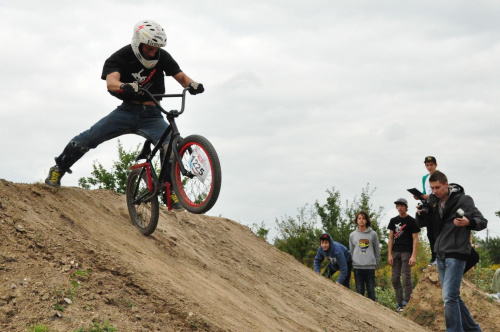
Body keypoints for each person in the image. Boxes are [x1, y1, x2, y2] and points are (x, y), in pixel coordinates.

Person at [44, 20, 204, 211]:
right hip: (127, 112)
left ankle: (169, 191)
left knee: (171, 147)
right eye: (150, 48)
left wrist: (193, 84)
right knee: (90, 137)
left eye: (157, 49)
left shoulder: (162, 57)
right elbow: (111, 82)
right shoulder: (120, 57)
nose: (154, 53)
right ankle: (59, 168)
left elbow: (182, 77)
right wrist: (123, 86)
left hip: (153, 115)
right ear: (138, 43)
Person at [416, 170, 487, 331]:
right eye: (432, 188)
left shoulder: (464, 200)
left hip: (457, 253)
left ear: (447, 185)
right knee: (452, 297)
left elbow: (482, 221)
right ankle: (474, 330)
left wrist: (469, 222)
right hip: (440, 254)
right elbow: (423, 224)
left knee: (448, 296)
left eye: (438, 187)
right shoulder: (433, 201)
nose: (434, 191)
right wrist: (420, 214)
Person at [387, 198, 420, 312]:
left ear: (406, 207)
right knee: (394, 278)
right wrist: (389, 255)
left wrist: (413, 256)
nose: (400, 207)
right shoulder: (393, 220)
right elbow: (391, 238)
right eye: (398, 205)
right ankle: (400, 302)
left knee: (406, 277)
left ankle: (407, 302)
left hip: (407, 252)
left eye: (402, 205)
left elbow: (415, 239)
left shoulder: (411, 221)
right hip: (395, 252)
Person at [349, 210, 380, 301]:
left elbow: (377, 250)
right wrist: (352, 263)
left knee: (371, 290)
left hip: (370, 267)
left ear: (367, 220)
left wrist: (375, 263)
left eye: (363, 218)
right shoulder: (352, 235)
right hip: (357, 266)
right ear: (356, 220)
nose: (361, 220)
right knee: (359, 291)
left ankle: (373, 312)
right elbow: (351, 251)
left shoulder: (373, 234)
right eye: (359, 218)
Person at [414, 156, 438, 265]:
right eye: (427, 165)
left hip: (437, 205)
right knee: (430, 233)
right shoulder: (425, 178)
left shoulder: (439, 176)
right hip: (427, 206)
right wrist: (419, 196)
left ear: (435, 165)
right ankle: (434, 257)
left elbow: (442, 191)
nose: (429, 167)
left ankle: (439, 255)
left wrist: (430, 196)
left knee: (437, 232)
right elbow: (425, 192)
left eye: (431, 165)